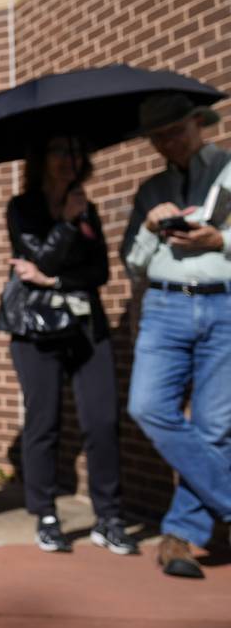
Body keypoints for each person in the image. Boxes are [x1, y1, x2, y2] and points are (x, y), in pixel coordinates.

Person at [0, 135, 135, 555]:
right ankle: (46, 514)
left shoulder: (86, 206)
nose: (66, 160)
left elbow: (99, 273)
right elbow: (39, 258)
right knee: (45, 421)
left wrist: (54, 279)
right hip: (35, 329)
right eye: (57, 151)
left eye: (74, 151)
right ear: (41, 159)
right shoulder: (23, 208)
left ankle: (109, 517)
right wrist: (68, 225)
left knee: (103, 421)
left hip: (84, 327)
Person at [120, 93, 231, 580]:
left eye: (175, 131)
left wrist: (220, 240)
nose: (168, 142)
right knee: (147, 405)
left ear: (197, 123)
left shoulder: (229, 170)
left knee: (214, 427)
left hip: (225, 304)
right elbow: (132, 263)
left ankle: (178, 537)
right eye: (157, 137)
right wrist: (148, 229)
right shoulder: (150, 189)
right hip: (165, 305)